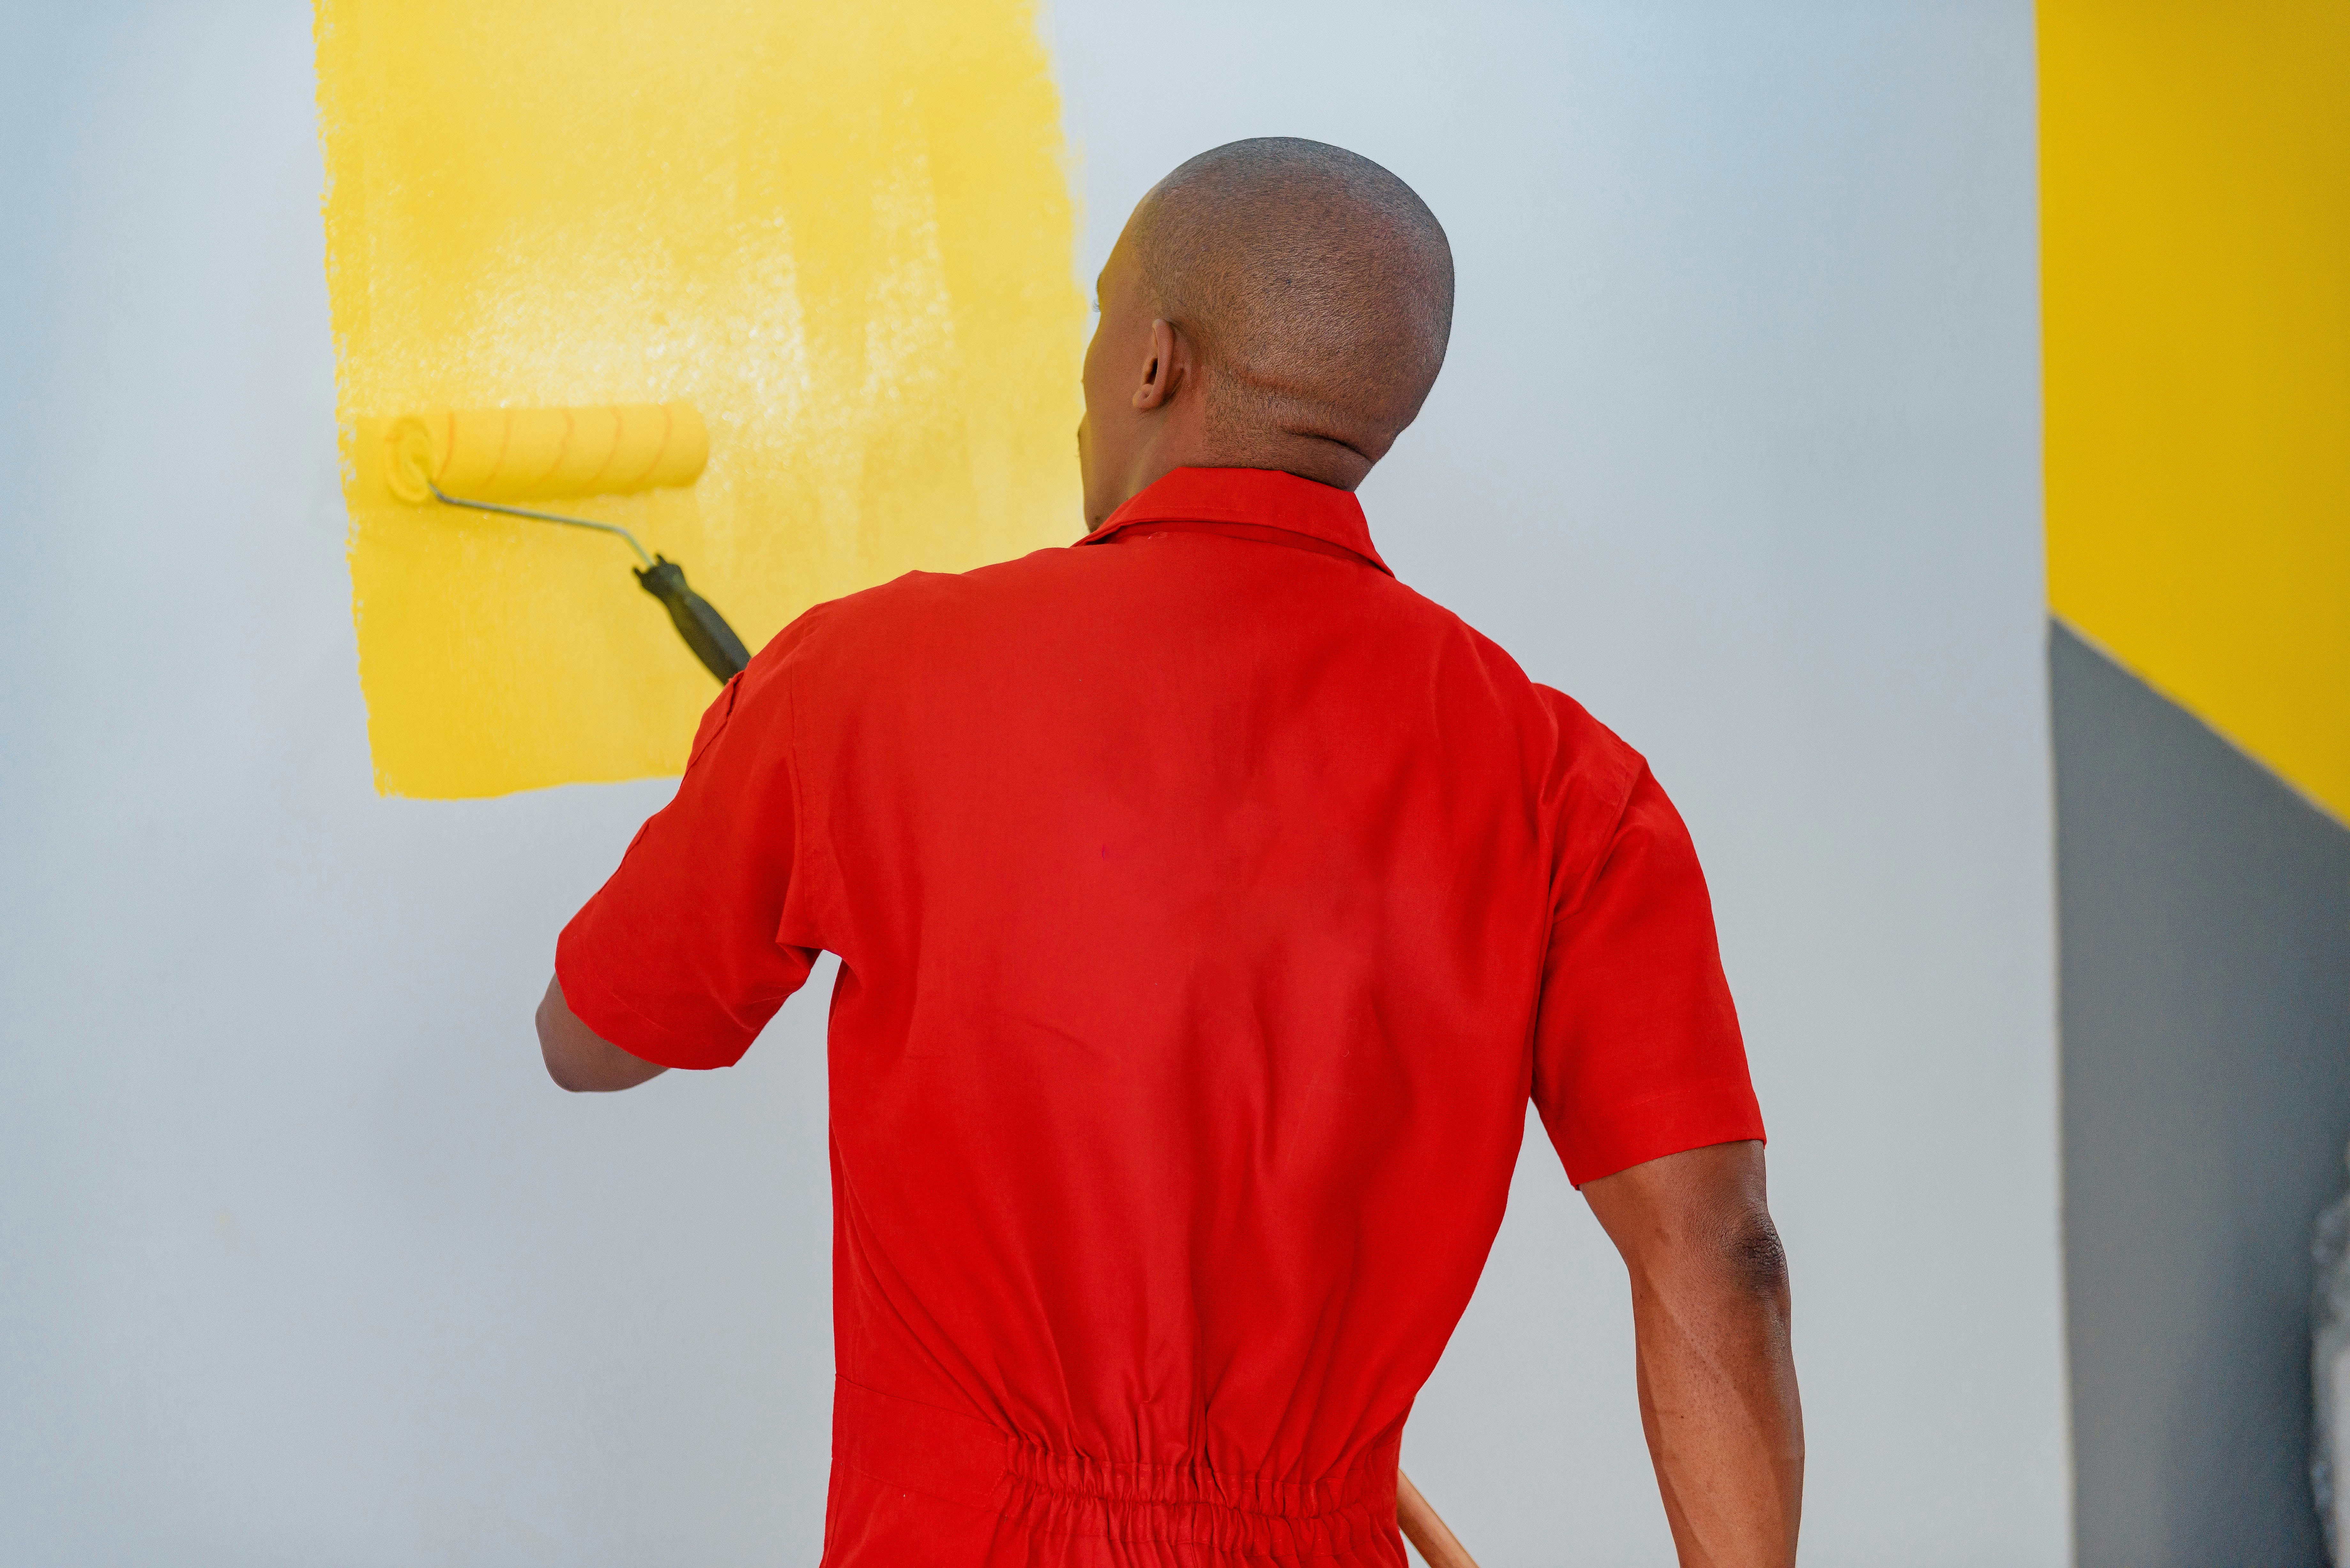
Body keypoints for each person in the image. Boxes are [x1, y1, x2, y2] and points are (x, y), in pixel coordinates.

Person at [538, 137, 1803, 1567]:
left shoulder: (865, 681)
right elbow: (1717, 1251)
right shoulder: (1563, 780)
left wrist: (756, 764)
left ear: (1152, 364)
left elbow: (590, 1036)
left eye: (1097, 321)